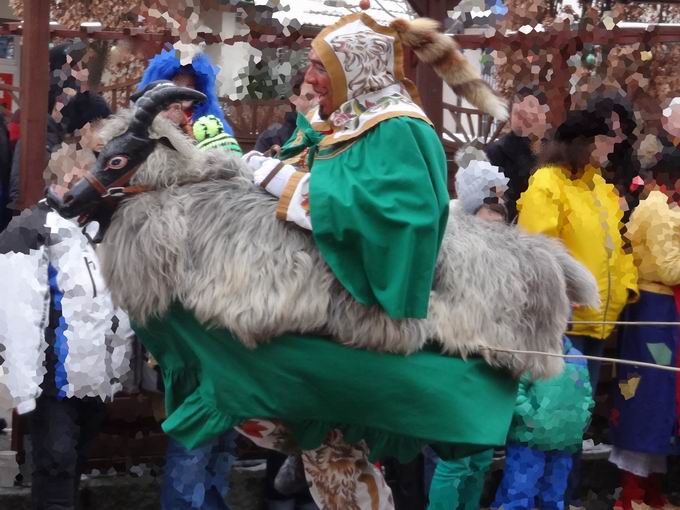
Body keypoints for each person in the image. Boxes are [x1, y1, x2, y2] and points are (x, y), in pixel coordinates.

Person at [0, 113, 135, 510]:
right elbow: (16, 314)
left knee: (73, 462)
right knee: (56, 464)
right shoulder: (28, 230)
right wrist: (24, 389)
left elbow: (114, 304)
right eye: (75, 179)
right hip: (52, 381)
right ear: (56, 182)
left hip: (93, 378)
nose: (85, 188)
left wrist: (117, 366)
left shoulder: (98, 228)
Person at [516, 106, 639, 506]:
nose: (610, 148)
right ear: (584, 145)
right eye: (604, 140)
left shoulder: (598, 186)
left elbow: (617, 247)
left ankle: (561, 498)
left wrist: (627, 290)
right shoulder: (546, 184)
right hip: (563, 327)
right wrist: (559, 304)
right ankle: (533, 498)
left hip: (598, 325)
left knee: (575, 423)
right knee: (548, 420)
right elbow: (539, 252)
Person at [424, 145, 509, 510]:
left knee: (479, 459)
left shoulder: (503, 253)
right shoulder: (447, 243)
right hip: (454, 361)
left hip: (489, 364)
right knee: (455, 460)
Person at [608, 148, 680, 510]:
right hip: (656, 311)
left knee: (660, 398)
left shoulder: (659, 208)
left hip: (660, 311)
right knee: (649, 395)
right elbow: (669, 270)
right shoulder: (657, 210)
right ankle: (634, 492)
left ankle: (650, 491)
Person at [491, 337, 594, 510]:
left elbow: (586, 394)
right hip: (528, 441)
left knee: (554, 493)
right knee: (520, 490)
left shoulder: (577, 358)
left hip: (563, 441)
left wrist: (580, 421)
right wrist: (531, 420)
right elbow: (515, 393)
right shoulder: (529, 354)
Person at [485, 86, 549, 222]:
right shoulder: (498, 152)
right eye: (519, 114)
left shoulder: (555, 150)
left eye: (531, 113)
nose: (525, 120)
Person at [137, 47, 233, 137]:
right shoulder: (149, 117)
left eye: (189, 86)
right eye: (177, 84)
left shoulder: (209, 122)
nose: (183, 91)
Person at [254, 73, 318, 155]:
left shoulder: (334, 134)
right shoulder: (271, 138)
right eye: (310, 97)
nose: (317, 102)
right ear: (294, 99)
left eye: (322, 95)